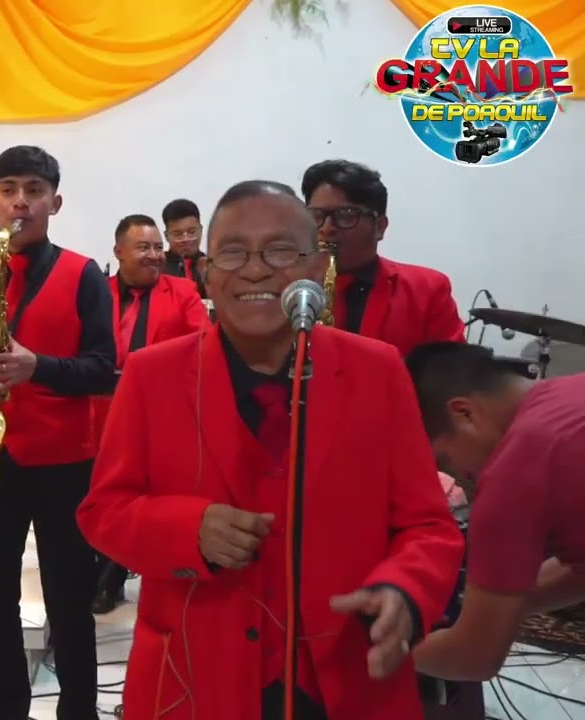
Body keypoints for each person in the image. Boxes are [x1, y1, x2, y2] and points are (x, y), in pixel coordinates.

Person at [78, 180, 464, 720]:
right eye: (233, 252)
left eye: (280, 251)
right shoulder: (150, 375)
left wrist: (404, 591)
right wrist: (188, 529)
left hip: (347, 671)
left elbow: (428, 525)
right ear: (207, 271)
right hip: (196, 676)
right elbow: (104, 513)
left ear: (317, 267)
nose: (255, 270)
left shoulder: (377, 370)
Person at [0, 145, 114, 720]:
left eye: (34, 191)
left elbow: (102, 370)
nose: (21, 202)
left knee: (70, 601)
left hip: (66, 464)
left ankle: (79, 710)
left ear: (54, 203)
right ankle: (8, 708)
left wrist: (37, 367)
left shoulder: (85, 275)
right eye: (9, 189)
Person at [405, 341, 585, 682]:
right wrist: (495, 602)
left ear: (464, 412)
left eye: (444, 460)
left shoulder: (516, 467)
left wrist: (382, 654)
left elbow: (472, 658)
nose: (457, 475)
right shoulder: (571, 392)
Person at [90, 213, 207, 614]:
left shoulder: (184, 292)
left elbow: (203, 346)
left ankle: (109, 579)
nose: (156, 255)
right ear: (119, 252)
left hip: (160, 411)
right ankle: (102, 570)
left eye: (158, 247)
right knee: (101, 496)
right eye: (144, 247)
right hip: (99, 410)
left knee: (139, 497)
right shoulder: (99, 292)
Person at [301, 160, 464, 355]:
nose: (327, 228)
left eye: (346, 215)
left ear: (379, 227)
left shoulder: (427, 289)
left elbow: (452, 369)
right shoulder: (287, 286)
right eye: (316, 215)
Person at [161, 198, 209, 298]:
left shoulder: (212, 265)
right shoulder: (157, 267)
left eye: (192, 232)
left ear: (201, 230)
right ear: (166, 236)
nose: (186, 239)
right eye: (178, 234)